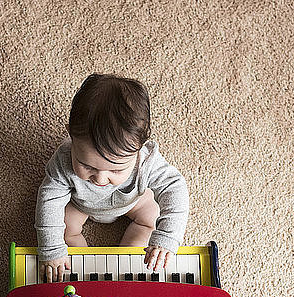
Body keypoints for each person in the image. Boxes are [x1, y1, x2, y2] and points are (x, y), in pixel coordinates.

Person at [35, 73, 189, 282]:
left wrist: (168, 236)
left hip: (132, 202)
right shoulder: (62, 160)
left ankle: (122, 261)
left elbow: (175, 186)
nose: (100, 179)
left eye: (116, 170)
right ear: (71, 135)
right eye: (86, 165)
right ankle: (86, 269)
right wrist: (52, 248)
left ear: (139, 148)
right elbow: (49, 199)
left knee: (151, 218)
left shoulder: (146, 161)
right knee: (63, 226)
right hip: (81, 204)